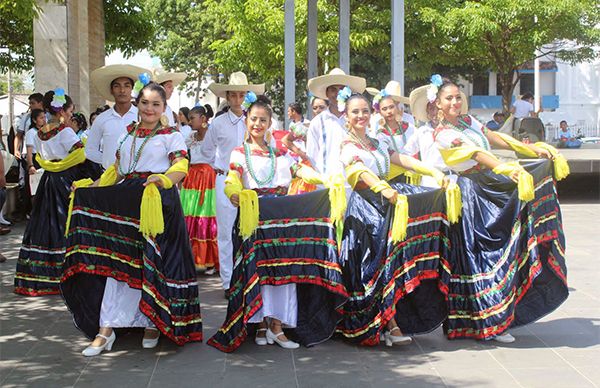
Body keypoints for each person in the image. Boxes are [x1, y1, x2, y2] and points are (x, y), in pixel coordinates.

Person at [60, 82, 202, 356]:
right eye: (145, 103)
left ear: (163, 108)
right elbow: (115, 171)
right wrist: (89, 188)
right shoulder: (128, 135)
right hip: (126, 205)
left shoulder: (171, 135)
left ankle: (153, 323)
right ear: (138, 104)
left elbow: (181, 167)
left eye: (156, 104)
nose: (149, 108)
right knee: (119, 267)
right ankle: (107, 329)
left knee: (151, 264)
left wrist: (162, 180)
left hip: (156, 204)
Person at [431, 76, 569, 343]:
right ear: (438, 103)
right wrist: (505, 167)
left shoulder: (467, 121)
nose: (455, 102)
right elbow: (476, 154)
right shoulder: (444, 134)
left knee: (501, 248)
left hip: (489, 182)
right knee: (481, 256)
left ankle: (498, 317)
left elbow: (493, 138)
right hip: (472, 193)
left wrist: (529, 149)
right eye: (448, 98)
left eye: (458, 97)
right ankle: (488, 322)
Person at [208, 96, 347, 352]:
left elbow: (301, 171)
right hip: (254, 219)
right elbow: (232, 178)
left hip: (281, 220)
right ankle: (260, 322)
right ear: (247, 122)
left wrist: (326, 181)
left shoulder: (281, 153)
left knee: (284, 273)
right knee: (258, 273)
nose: (258, 124)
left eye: (263, 120)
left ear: (270, 123)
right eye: (253, 119)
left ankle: (277, 326)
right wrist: (234, 193)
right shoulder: (240, 152)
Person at [336, 91, 457, 346]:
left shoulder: (376, 142)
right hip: (366, 210)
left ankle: (392, 322)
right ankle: (386, 325)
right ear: (346, 116)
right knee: (374, 266)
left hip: (388, 206)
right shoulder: (346, 145)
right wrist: (384, 189)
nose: (361, 116)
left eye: (365, 111)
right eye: (355, 112)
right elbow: (359, 170)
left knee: (392, 263)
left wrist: (431, 170)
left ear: (372, 114)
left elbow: (400, 160)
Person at [14, 89, 102, 296]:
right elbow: (81, 156)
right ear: (62, 110)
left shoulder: (39, 133)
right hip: (65, 180)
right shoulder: (66, 131)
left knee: (44, 222)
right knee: (67, 221)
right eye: (70, 110)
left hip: (49, 180)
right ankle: (67, 273)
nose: (72, 114)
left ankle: (39, 274)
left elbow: (40, 157)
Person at [200, 71, 265, 292]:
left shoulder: (255, 121)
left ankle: (252, 277)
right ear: (227, 96)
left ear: (246, 95)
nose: (237, 99)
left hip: (252, 182)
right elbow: (206, 152)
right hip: (224, 179)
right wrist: (222, 169)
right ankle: (228, 282)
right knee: (226, 232)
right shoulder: (218, 123)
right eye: (233, 95)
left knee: (252, 229)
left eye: (241, 94)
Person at [305, 68, 366, 180]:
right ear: (327, 93)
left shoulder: (357, 120)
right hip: (327, 183)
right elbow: (312, 154)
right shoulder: (318, 122)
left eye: (342, 89)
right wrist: (322, 178)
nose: (337, 93)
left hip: (355, 182)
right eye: (333, 89)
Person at [86, 64, 150, 169]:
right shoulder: (101, 119)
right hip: (110, 177)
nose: (122, 90)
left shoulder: (143, 116)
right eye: (117, 86)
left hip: (137, 177)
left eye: (127, 85)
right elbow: (90, 150)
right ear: (111, 90)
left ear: (132, 89)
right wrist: (109, 161)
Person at [180, 104, 218, 273]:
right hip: (192, 179)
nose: (189, 122)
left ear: (203, 119)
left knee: (206, 217)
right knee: (190, 216)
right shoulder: (190, 137)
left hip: (208, 179)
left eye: (192, 118)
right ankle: (192, 258)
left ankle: (210, 259)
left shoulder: (213, 135)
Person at [370, 81, 415, 155]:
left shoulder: (409, 120)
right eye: (384, 108)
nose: (389, 111)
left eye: (392, 106)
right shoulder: (375, 119)